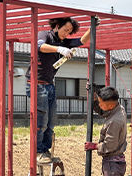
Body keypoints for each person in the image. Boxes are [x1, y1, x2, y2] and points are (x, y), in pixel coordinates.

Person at [26, 16, 100, 164]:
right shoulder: (45, 35)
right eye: (65, 30)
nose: (67, 34)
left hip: (49, 84)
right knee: (42, 119)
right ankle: (38, 151)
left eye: (69, 31)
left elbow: (81, 41)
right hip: (36, 83)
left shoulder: (64, 41)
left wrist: (92, 28)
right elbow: (39, 46)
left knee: (51, 120)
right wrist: (59, 49)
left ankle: (45, 150)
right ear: (57, 25)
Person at [85, 86, 127, 176]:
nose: (100, 106)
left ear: (110, 105)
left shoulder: (115, 122)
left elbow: (109, 146)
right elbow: (103, 111)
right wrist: (93, 96)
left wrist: (94, 146)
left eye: (101, 103)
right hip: (114, 163)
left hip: (113, 164)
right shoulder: (118, 109)